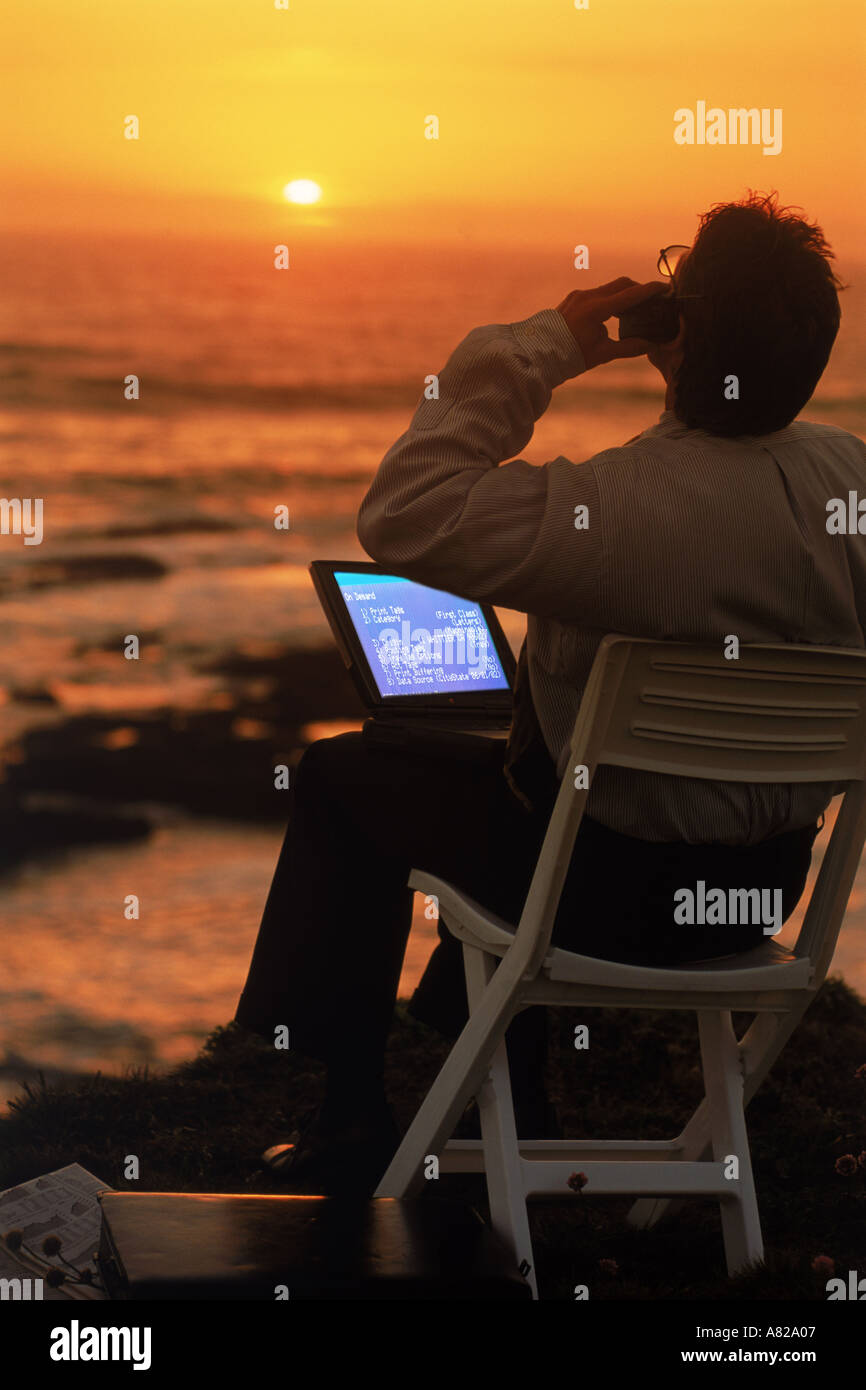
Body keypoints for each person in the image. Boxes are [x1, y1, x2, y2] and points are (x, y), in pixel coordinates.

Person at [235, 191, 865, 1195]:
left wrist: (550, 345)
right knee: (524, 782)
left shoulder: (611, 510)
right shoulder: (848, 481)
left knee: (347, 774)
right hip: (751, 901)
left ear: (676, 324)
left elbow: (403, 510)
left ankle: (348, 1114)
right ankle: (507, 1092)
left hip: (593, 902)